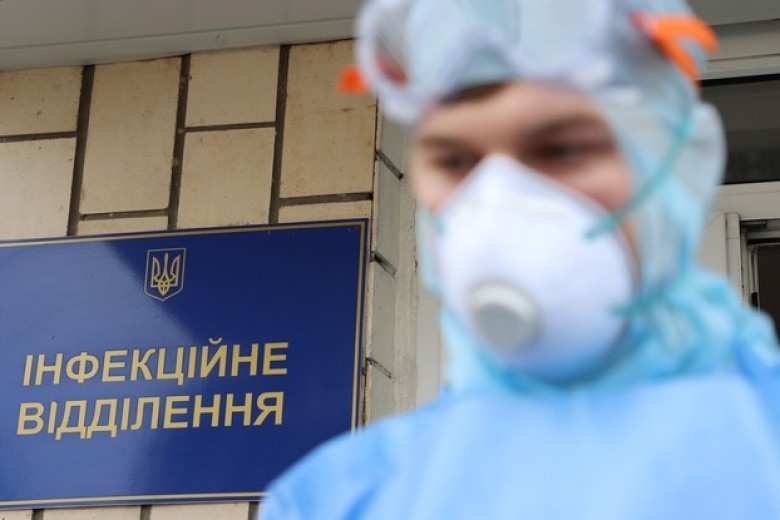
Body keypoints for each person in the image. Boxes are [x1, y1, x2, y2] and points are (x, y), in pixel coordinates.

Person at [262, 0, 780, 517]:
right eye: (455, 160)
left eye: (563, 150)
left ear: (676, 166)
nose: (498, 201)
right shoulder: (335, 499)